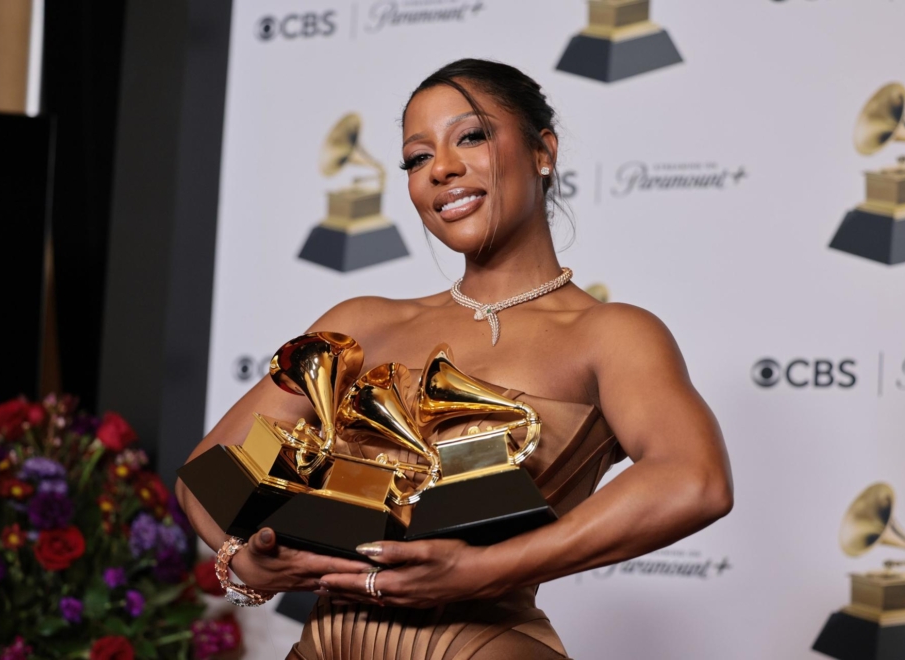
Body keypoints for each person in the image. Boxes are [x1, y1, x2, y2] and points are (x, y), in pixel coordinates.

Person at [175, 58, 733, 659]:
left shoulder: (612, 333)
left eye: (471, 136)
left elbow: (694, 481)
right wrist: (243, 563)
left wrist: (486, 569)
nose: (441, 168)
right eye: (417, 158)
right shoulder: (361, 324)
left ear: (543, 151)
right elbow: (207, 471)